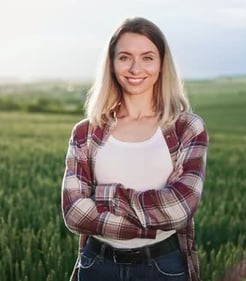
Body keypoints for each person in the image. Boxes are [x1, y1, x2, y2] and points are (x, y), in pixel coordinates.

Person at [61, 17, 208, 281]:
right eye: (125, 57)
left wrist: (103, 196)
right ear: (112, 64)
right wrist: (152, 222)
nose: (135, 68)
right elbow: (74, 213)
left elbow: (179, 208)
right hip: (97, 266)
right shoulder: (86, 132)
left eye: (147, 57)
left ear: (162, 64)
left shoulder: (187, 127)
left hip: (162, 267)